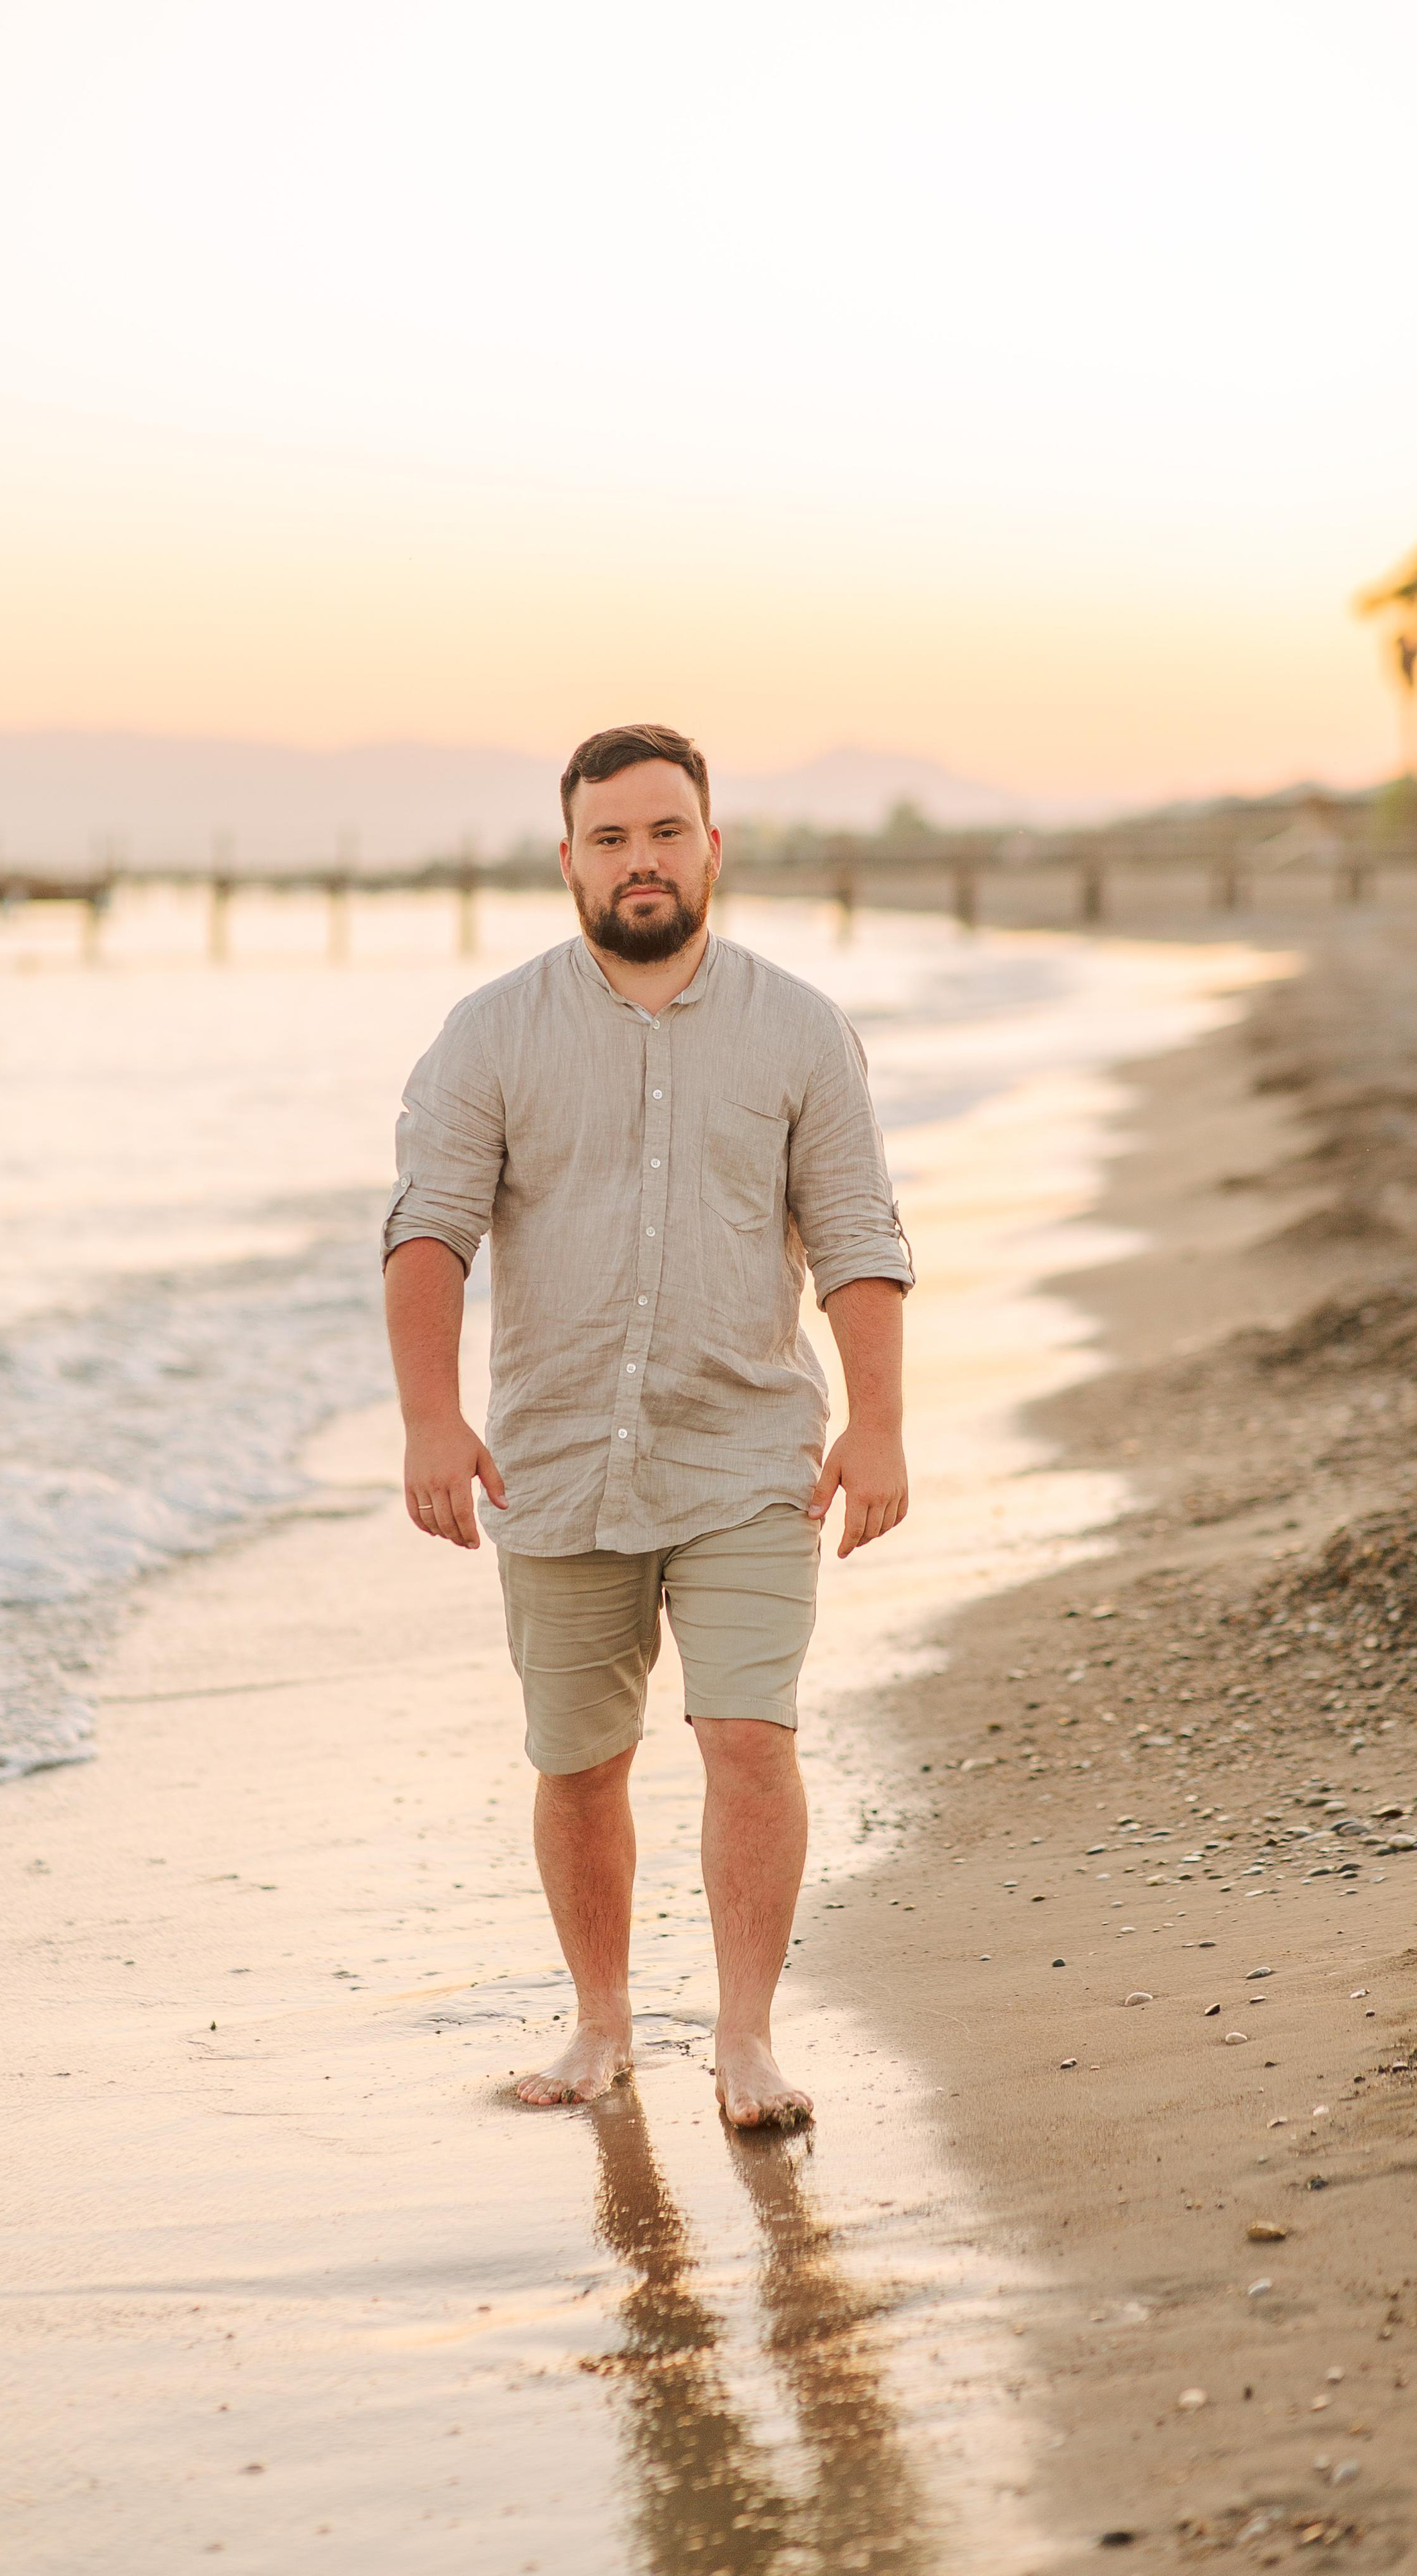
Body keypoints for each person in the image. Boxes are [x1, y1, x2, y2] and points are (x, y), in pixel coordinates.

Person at [382, 723, 912, 2129]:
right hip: (553, 1458)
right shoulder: (488, 1035)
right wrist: (430, 1422)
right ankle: (599, 2027)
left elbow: (855, 1232)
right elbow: (426, 1235)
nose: (639, 861)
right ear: (567, 859)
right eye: (609, 838)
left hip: (747, 1453)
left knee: (749, 1738)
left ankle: (745, 2043)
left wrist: (878, 1425)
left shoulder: (797, 1029)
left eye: (664, 832)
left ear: (709, 847)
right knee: (577, 1759)